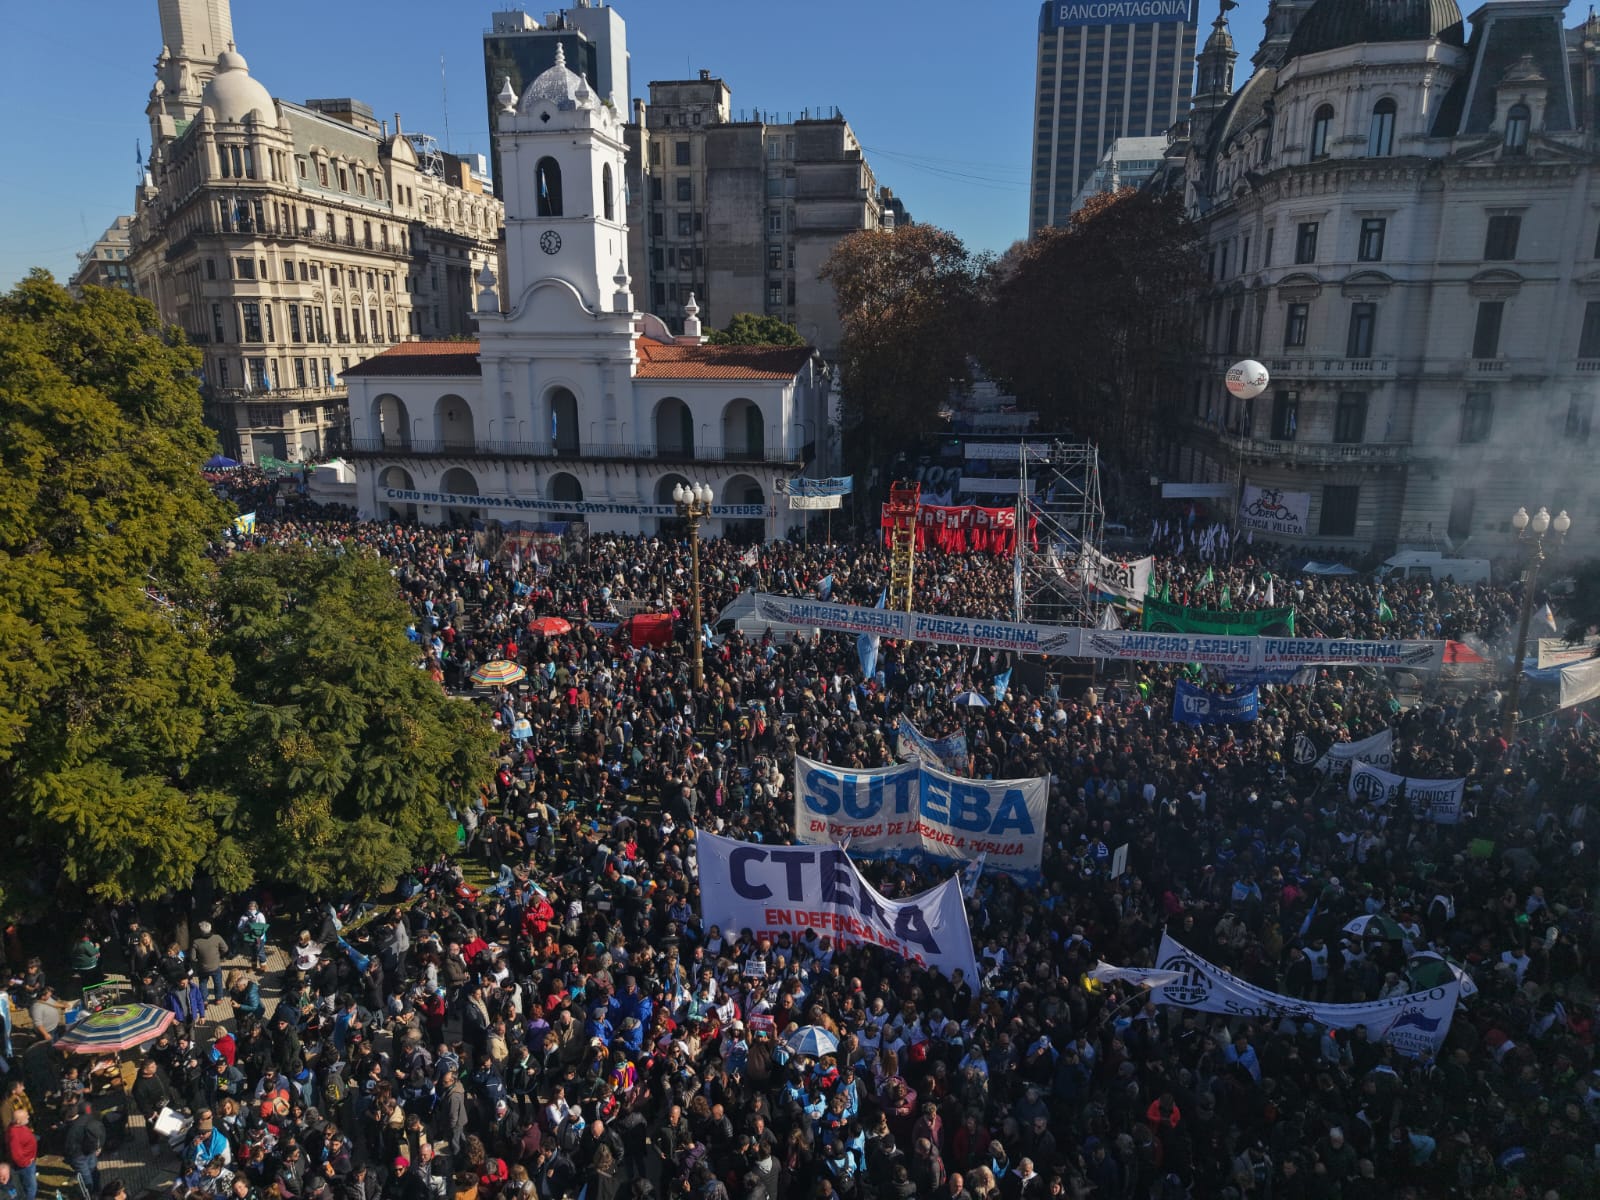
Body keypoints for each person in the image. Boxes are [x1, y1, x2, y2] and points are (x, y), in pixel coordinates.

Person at [62, 1100, 105, 1195]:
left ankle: (90, 1194)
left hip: (78, 1155)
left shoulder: (71, 1129)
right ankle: (98, 1189)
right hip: (90, 1150)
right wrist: (98, 1147)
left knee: (85, 1175)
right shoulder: (87, 1118)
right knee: (93, 1170)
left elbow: (68, 1146)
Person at [192, 922, 231, 1004]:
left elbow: (193, 957)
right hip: (215, 966)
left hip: (202, 968)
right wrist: (218, 955)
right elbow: (225, 949)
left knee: (203, 983)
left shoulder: (196, 942)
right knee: (218, 982)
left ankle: (204, 1000)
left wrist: (198, 961)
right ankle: (218, 999)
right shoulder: (217, 938)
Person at [4, 1109, 36, 1200]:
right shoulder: (15, 1135)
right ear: (18, 1121)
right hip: (24, 1166)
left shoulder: (17, 1127)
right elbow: (16, 1155)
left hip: (27, 1161)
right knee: (31, 1187)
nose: (28, 1117)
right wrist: (26, 1163)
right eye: (26, 1116)